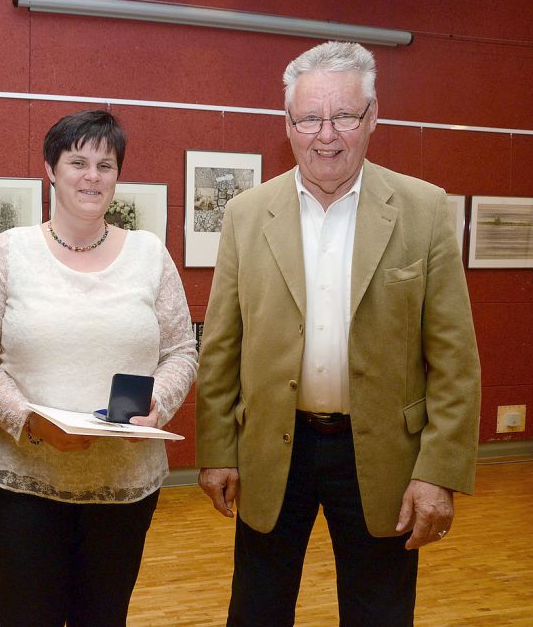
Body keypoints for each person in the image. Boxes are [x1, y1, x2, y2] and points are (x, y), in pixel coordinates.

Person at [196, 41, 481, 626]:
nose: (326, 134)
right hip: (274, 449)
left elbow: (455, 360)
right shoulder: (248, 215)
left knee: (380, 612)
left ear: (372, 117)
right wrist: (217, 450)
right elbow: (222, 345)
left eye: (344, 116)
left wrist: (438, 473)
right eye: (309, 119)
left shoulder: (423, 210)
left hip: (381, 456)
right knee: (257, 609)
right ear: (288, 124)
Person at [0, 109, 198, 627]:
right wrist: (27, 418)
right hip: (25, 482)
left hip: (125, 483)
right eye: (77, 162)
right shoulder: (7, 252)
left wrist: (157, 405)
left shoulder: (150, 255)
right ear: (50, 169)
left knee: (104, 616)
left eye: (106, 165)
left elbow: (181, 350)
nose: (92, 177)